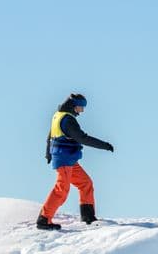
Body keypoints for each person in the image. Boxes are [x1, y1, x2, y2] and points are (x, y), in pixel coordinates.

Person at [37, 93, 114, 230]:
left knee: (86, 183)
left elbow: (49, 136)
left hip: (69, 159)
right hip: (64, 160)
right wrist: (104, 145)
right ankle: (43, 219)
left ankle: (88, 217)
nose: (82, 110)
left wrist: (48, 153)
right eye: (80, 107)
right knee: (62, 190)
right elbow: (82, 138)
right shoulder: (67, 120)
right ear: (73, 106)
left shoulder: (58, 115)